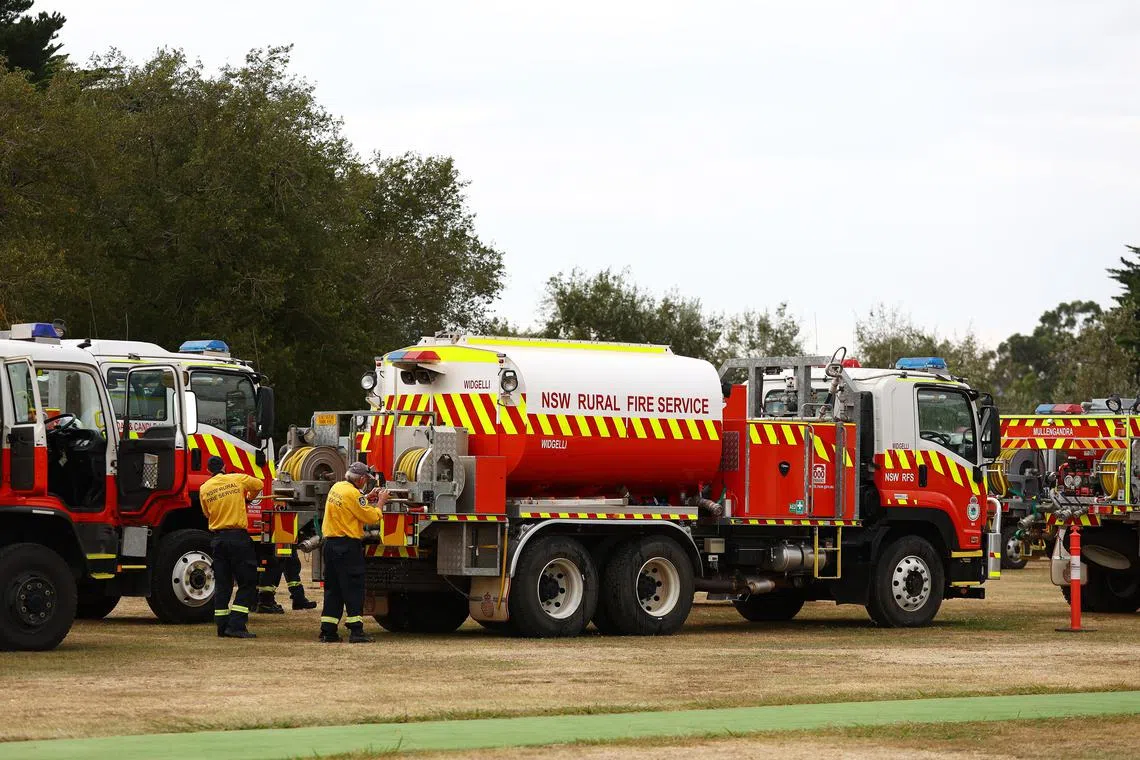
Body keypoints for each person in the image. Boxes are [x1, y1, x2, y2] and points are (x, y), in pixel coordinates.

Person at [319, 461, 388, 643]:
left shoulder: (338, 487)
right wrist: (380, 502)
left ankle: (328, 631)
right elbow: (371, 516)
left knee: (333, 589)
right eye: (366, 480)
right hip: (347, 547)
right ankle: (356, 631)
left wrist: (366, 496)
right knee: (353, 588)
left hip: (330, 546)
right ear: (362, 479)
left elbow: (353, 503)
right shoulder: (354, 494)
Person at [199, 455, 263, 639]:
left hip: (218, 540)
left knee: (223, 584)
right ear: (225, 467)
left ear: (208, 471)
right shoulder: (237, 478)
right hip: (238, 539)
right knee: (248, 582)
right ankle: (236, 625)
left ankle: (222, 626)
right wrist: (248, 499)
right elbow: (258, 484)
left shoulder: (205, 488)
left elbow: (206, 513)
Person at [255, 544, 317, 613]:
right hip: (279, 538)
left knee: (291, 563)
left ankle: (298, 598)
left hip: (286, 538)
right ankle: (265, 602)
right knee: (274, 565)